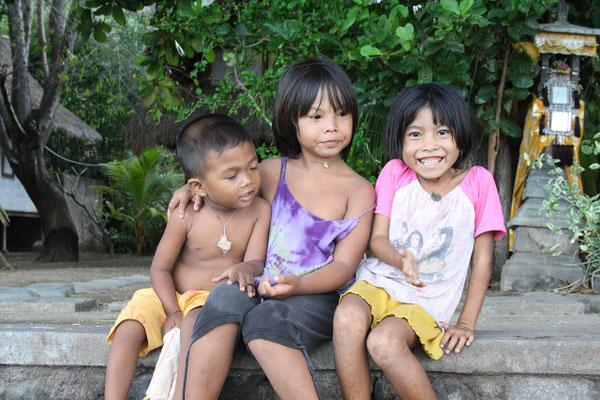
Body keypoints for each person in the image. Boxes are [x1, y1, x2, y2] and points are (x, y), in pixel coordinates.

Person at [169, 58, 375, 400]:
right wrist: (188, 189)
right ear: (290, 121)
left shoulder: (360, 191)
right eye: (316, 116)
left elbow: (343, 267)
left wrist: (299, 285)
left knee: (267, 321)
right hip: (262, 280)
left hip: (318, 296)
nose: (332, 127)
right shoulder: (269, 171)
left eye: (342, 114)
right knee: (222, 296)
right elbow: (222, 187)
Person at [333, 82, 506, 400]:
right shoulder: (394, 174)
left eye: (442, 132)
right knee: (345, 317)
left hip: (426, 300)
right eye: (416, 134)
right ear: (400, 141)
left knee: (383, 343)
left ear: (460, 140)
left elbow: (482, 259)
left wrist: (466, 323)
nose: (429, 145)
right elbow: (378, 240)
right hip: (377, 281)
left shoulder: (478, 183)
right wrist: (400, 260)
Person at [104, 114, 271, 400]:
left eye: (253, 167)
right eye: (232, 176)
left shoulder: (259, 211)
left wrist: (246, 266)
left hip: (209, 298)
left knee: (194, 325)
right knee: (128, 326)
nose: (248, 181)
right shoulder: (186, 213)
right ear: (198, 187)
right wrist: (171, 312)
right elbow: (160, 268)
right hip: (167, 295)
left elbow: (256, 261)